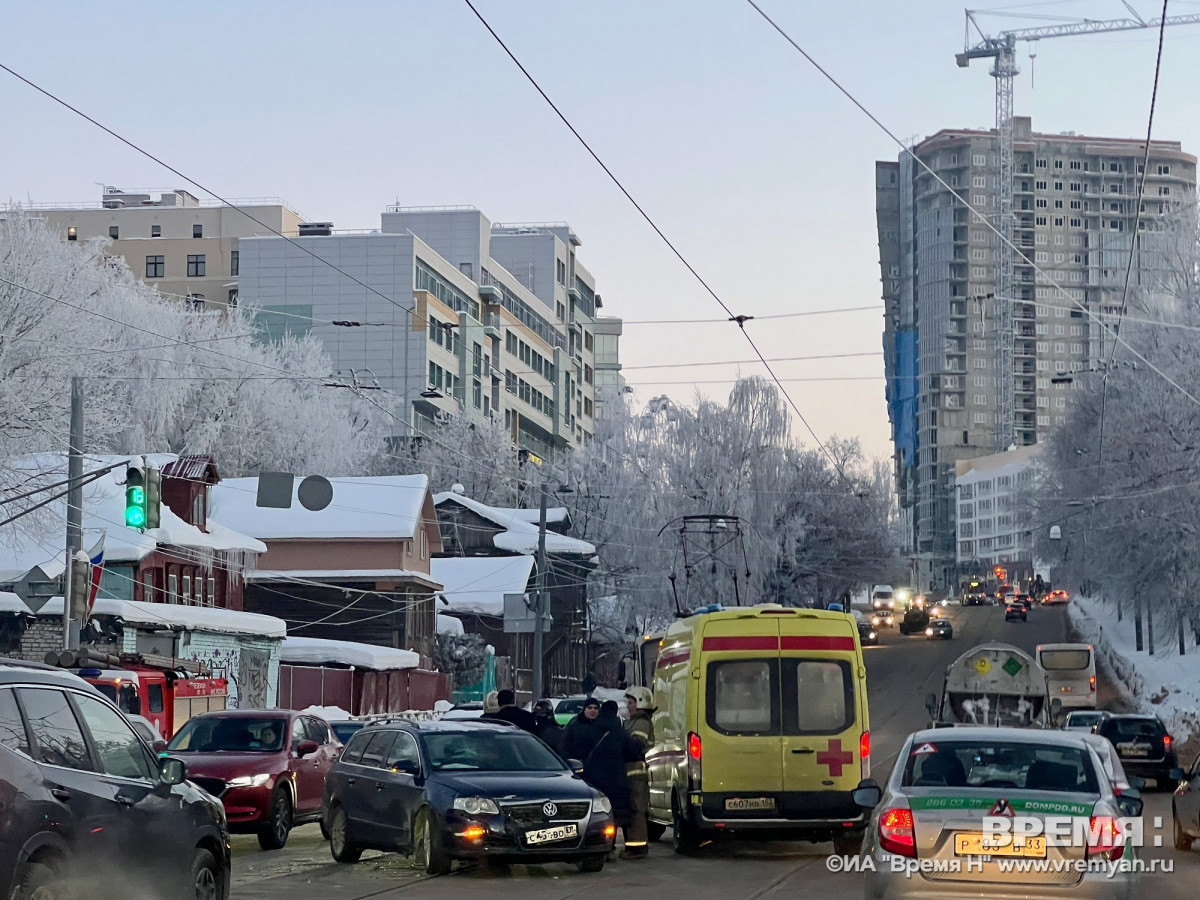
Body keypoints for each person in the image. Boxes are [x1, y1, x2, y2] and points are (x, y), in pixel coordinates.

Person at [622, 687, 655, 859]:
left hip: (637, 775)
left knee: (637, 811)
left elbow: (636, 745)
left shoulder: (641, 722)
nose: (628, 706)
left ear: (640, 703)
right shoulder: (633, 721)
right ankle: (631, 847)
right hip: (631, 773)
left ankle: (638, 849)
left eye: (631, 702)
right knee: (633, 810)